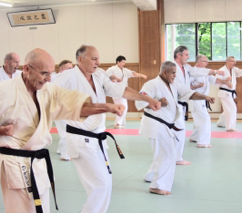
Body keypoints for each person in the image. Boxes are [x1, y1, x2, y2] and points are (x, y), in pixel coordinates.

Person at [0, 48, 125, 213]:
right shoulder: (3, 90)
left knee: (42, 209)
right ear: (26, 69)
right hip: (14, 163)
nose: (49, 78)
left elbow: (76, 105)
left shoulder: (47, 90)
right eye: (44, 73)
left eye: (51, 73)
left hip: (39, 162)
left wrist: (107, 107)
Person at [53, 45, 161, 213]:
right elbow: (51, 97)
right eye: (93, 58)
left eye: (98, 58)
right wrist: (106, 107)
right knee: (101, 185)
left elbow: (120, 89)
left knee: (103, 185)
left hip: (97, 138)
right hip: (80, 139)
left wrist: (147, 99)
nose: (98, 62)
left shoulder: (98, 75)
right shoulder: (66, 77)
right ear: (80, 59)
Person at [135, 61, 215, 195]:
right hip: (155, 124)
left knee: (164, 152)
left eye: (175, 73)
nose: (174, 75)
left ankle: (151, 176)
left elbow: (190, 93)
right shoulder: (151, 84)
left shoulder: (173, 85)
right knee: (167, 153)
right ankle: (157, 186)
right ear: (164, 72)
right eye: (173, 73)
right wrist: (158, 103)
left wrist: (205, 97)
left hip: (165, 125)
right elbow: (140, 101)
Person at [173, 46, 224, 165]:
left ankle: (178, 155)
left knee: (184, 127)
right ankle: (201, 142)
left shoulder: (186, 67)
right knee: (200, 120)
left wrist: (214, 71)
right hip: (178, 101)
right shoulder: (171, 66)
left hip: (187, 100)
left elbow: (196, 72)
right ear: (179, 55)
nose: (188, 57)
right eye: (186, 55)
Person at [189, 55, 232, 148]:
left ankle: (194, 137)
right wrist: (197, 86)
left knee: (198, 120)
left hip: (202, 99)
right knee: (204, 119)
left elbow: (214, 79)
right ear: (199, 62)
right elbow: (185, 87)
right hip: (195, 98)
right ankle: (202, 142)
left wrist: (225, 82)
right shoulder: (193, 72)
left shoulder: (205, 72)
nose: (207, 63)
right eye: (205, 61)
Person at [105, 55, 147, 129]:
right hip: (116, 91)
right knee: (123, 107)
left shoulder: (125, 70)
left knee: (122, 107)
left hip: (123, 91)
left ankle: (119, 123)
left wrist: (142, 75)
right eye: (122, 62)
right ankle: (118, 123)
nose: (123, 64)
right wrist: (113, 79)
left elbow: (133, 74)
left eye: (124, 62)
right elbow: (107, 76)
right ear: (118, 62)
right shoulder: (112, 69)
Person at [51, 59, 74, 160]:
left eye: (72, 68)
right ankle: (65, 155)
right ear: (62, 69)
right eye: (69, 68)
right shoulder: (56, 77)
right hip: (59, 107)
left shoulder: (67, 77)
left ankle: (60, 150)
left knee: (62, 130)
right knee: (67, 131)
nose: (71, 70)